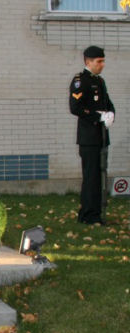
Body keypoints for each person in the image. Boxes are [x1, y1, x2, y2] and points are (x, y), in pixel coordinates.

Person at [69, 45, 114, 225]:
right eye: (99, 61)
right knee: (91, 177)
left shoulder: (100, 81)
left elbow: (107, 103)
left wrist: (111, 114)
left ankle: (95, 213)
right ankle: (88, 215)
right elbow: (75, 108)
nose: (102, 64)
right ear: (88, 62)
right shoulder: (81, 81)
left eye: (103, 61)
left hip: (101, 136)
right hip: (88, 138)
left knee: (99, 176)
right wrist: (98, 116)